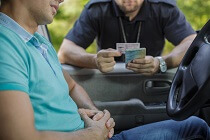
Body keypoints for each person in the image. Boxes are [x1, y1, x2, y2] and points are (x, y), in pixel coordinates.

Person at [0, 0, 209, 140]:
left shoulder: (38, 41)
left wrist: (99, 117)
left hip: (91, 133)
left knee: (195, 125)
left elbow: (71, 86)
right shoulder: (5, 44)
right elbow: (19, 136)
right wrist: (91, 134)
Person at [58, 0, 197, 74]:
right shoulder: (96, 8)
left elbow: (191, 42)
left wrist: (161, 62)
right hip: (108, 80)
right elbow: (65, 51)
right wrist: (94, 60)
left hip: (150, 81)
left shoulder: (164, 8)